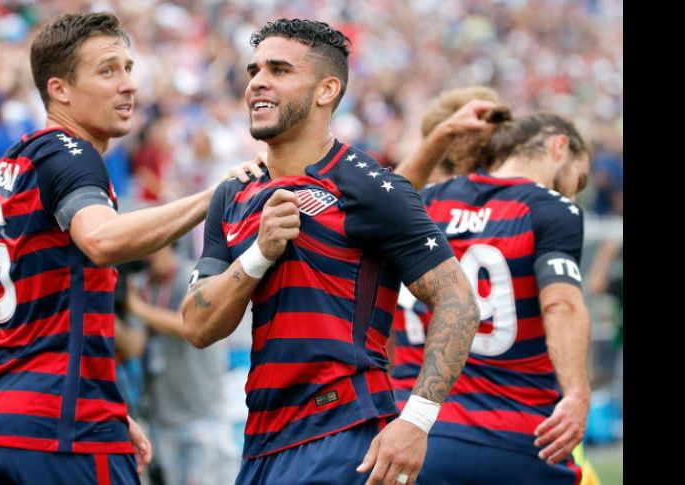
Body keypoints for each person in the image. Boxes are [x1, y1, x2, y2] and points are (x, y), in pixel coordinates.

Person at [181, 19, 481, 485]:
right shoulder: (233, 194)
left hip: (344, 432)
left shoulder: (369, 186)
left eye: (279, 70)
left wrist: (417, 420)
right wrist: (259, 254)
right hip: (263, 441)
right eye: (254, 69)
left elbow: (458, 300)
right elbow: (198, 326)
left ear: (326, 90)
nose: (257, 81)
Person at [0, 12, 260, 484]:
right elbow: (102, 239)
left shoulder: (14, 162)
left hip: (0, 420)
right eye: (108, 70)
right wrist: (215, 195)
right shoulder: (72, 154)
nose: (128, 85)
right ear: (59, 89)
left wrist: (105, 400)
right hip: (63, 427)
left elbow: (48, 315)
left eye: (129, 68)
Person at [391, 111, 593, 485]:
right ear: (559, 146)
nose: (572, 192)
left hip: (413, 433)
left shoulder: (427, 200)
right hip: (519, 437)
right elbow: (560, 304)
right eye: (576, 179)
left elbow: (380, 206)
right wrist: (578, 394)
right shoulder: (551, 209)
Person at [126, 245, 237, 485]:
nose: (147, 252)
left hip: (203, 412)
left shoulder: (196, 276)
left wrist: (138, 308)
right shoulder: (139, 286)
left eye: (154, 245)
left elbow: (189, 326)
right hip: (163, 418)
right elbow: (134, 344)